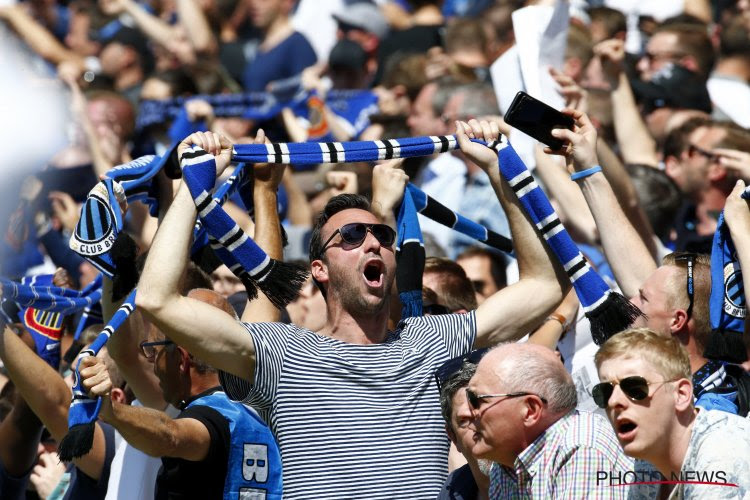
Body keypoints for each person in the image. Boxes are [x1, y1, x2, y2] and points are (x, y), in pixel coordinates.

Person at [135, 123, 569, 497]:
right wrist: (196, 184)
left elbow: (544, 286)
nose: (373, 241)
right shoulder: (281, 353)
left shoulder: (430, 341)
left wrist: (497, 172)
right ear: (319, 269)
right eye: (352, 235)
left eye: (381, 233)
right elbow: (156, 299)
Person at [551, 108, 744, 414]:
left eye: (643, 298)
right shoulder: (657, 338)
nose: (630, 299)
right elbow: (630, 261)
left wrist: (741, 227)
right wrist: (586, 168)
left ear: (677, 320)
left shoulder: (714, 411)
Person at [80, 288, 283, 499]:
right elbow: (265, 290)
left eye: (154, 351)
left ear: (181, 359)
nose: (152, 363)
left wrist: (111, 410)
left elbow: (172, 435)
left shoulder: (210, 418)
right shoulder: (266, 394)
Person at [594, 328, 750, 498]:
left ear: (681, 395)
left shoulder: (720, 456)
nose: (613, 401)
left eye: (634, 387)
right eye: (605, 392)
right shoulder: (648, 460)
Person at [467, 343, 632, 498]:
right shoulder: (505, 466)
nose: (467, 412)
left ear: (530, 410)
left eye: (475, 399)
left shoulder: (581, 449)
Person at [437, 352, 491, 500]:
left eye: (487, 412)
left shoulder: (544, 476)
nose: (481, 427)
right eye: (466, 420)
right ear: (453, 437)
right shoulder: (452, 491)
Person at [241, 0, 317, 92]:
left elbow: (308, 94)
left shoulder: (297, 45)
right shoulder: (255, 45)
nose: (254, 3)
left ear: (286, 2)